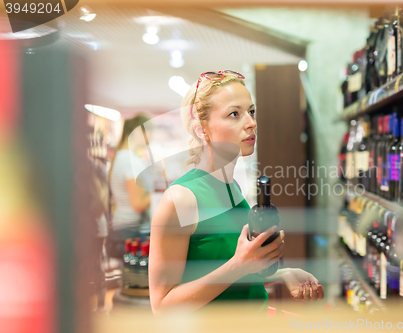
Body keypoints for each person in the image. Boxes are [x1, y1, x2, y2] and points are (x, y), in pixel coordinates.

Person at [149, 71, 324, 315]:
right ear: (202, 129)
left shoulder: (232, 187)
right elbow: (162, 306)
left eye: (251, 111)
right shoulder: (180, 199)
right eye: (234, 114)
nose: (251, 123)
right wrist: (239, 265)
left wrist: (283, 274)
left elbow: (224, 279)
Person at [107, 115, 151, 258]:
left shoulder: (123, 157)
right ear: (138, 131)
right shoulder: (130, 161)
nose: (150, 139)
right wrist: (159, 192)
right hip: (129, 231)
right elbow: (138, 204)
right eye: (149, 133)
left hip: (123, 228)